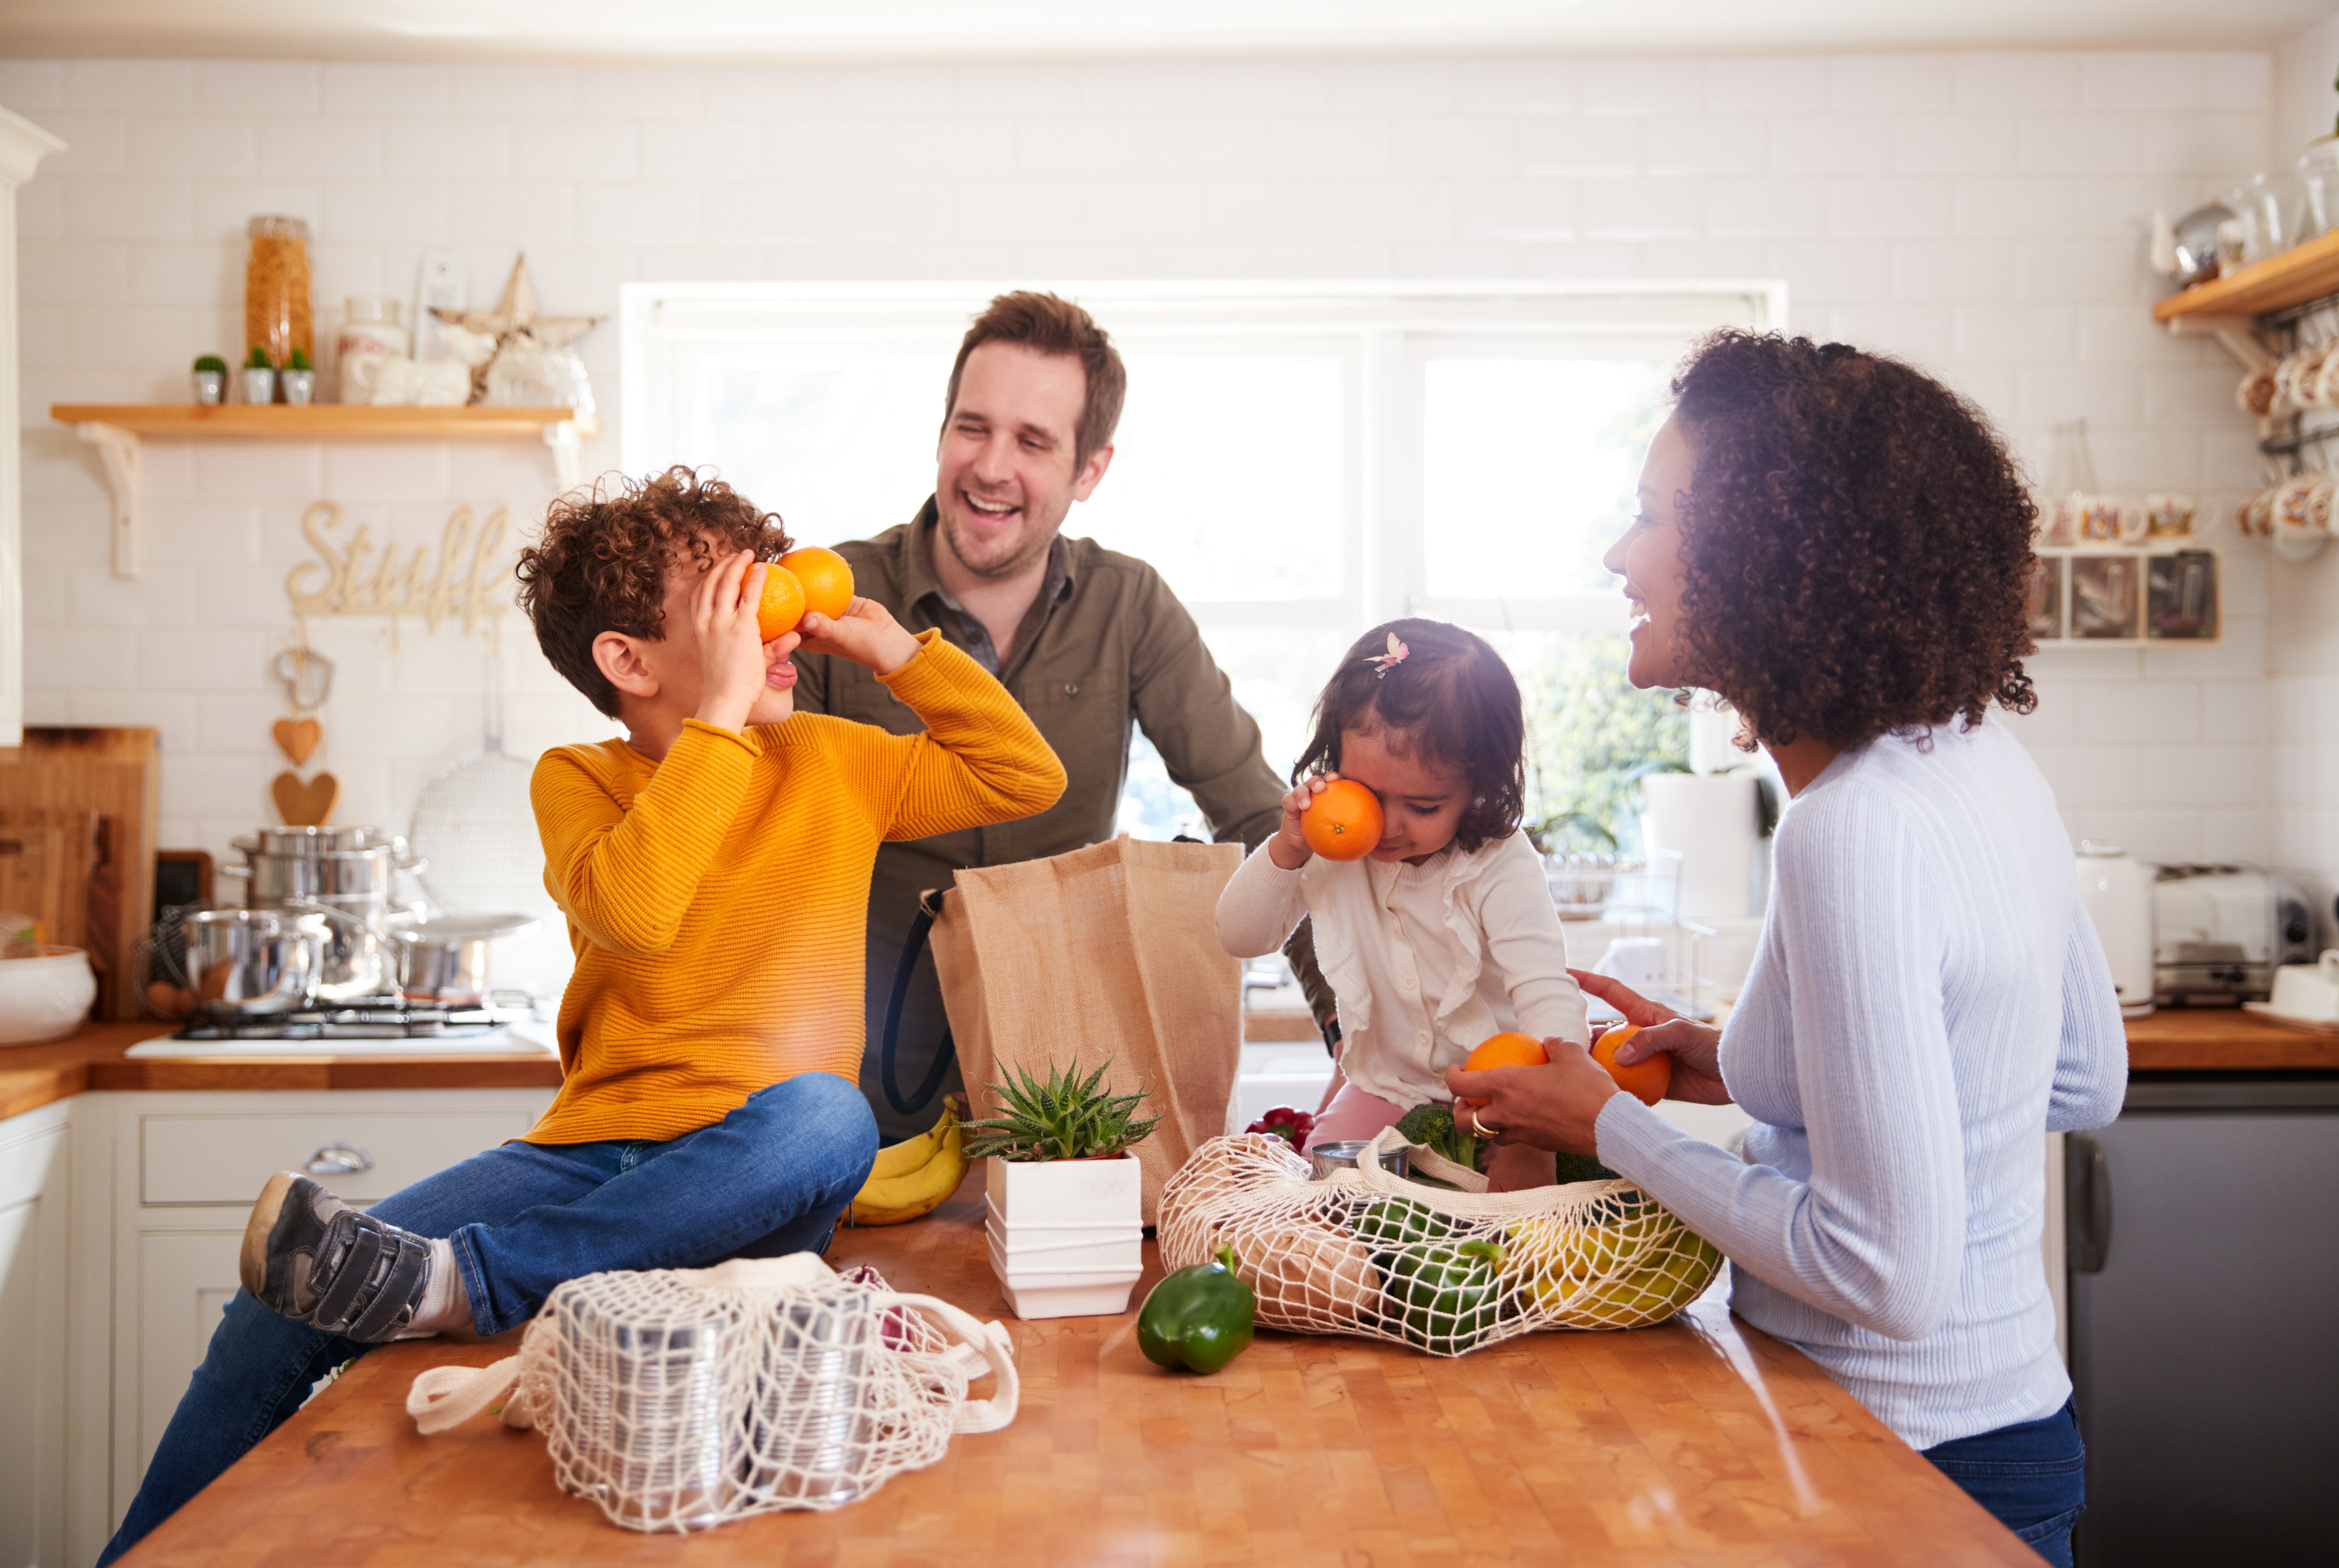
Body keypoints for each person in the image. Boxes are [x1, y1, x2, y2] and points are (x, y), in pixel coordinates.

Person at [100, 469, 1065, 1563]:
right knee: (275, 1304)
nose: (776, 615)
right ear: (629, 660)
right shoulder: (580, 779)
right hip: (589, 1156)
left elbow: (1024, 775)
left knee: (830, 1119)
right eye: (732, 600)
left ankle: (475, 1281)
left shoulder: (834, 761)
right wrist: (721, 719)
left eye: (770, 585)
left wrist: (899, 651)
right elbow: (637, 912)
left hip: (749, 1171)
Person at [1445, 332, 2126, 1567]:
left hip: (1897, 1471)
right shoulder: (1976, 759)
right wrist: (1749, 1060)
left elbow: (1881, 1276)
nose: (1618, 554)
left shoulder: (1846, 831)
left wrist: (1609, 1127)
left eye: (1654, 515)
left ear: (1767, 552)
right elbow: (2081, 1075)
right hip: (2012, 1435)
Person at [794, 290, 1329, 1139]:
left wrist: (1351, 1036)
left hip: (1062, 1089)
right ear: (941, 434)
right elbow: (756, 845)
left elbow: (1266, 820)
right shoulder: (834, 599)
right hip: (851, 1084)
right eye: (973, 427)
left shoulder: (1131, 606)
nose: (992, 466)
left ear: (1090, 470)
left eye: (1033, 440)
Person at [1214, 618, 1588, 1191]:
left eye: (1423, 804)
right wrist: (1287, 847)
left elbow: (1546, 995)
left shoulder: (1500, 863)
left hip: (1505, 1092)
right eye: (1368, 793)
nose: (1387, 826)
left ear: (1479, 786)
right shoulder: (1328, 841)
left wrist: (1539, 1129)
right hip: (1386, 1085)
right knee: (1325, 1200)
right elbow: (1241, 937)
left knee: (1514, 1220)